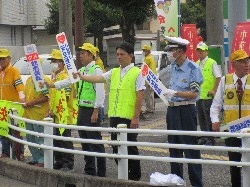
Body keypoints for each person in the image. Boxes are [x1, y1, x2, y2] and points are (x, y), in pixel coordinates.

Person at [75, 42, 144, 181]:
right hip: (114, 115)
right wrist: (82, 77)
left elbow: (140, 95)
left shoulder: (137, 72)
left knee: (130, 148)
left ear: (130, 56)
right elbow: (98, 78)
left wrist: (136, 117)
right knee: (115, 148)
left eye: (122, 54)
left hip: (128, 117)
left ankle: (135, 178)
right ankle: (124, 174)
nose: (119, 57)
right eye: (117, 54)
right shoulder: (114, 71)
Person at [46, 43, 106, 177]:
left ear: (91, 55)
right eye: (80, 53)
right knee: (84, 140)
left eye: (83, 53)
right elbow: (68, 81)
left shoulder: (96, 70)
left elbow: (100, 92)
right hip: (82, 109)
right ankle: (89, 169)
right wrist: (52, 85)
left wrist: (96, 110)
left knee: (95, 140)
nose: (80, 55)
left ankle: (101, 172)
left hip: (92, 109)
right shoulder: (83, 70)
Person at [163, 36, 203, 187]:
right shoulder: (172, 67)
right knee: (174, 148)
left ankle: (197, 183)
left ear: (179, 51)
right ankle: (177, 182)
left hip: (186, 109)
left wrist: (176, 93)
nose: (169, 53)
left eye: (171, 50)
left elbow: (194, 93)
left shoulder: (193, 68)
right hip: (172, 110)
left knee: (190, 148)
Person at [210, 49, 250, 187]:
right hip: (231, 130)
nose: (247, 64)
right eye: (243, 61)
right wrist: (215, 120)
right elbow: (216, 104)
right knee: (234, 165)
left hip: (248, 132)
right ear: (234, 64)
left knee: (249, 165)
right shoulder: (224, 80)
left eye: (247, 61)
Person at [47, 49, 74, 171]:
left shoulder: (65, 77)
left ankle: (68, 162)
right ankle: (59, 161)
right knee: (57, 138)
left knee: (65, 139)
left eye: (55, 61)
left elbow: (65, 97)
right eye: (52, 61)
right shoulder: (54, 77)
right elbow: (51, 97)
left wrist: (56, 110)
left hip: (64, 113)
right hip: (55, 114)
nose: (53, 63)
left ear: (62, 63)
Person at [22, 59, 50, 167]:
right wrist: (24, 102)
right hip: (29, 114)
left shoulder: (42, 79)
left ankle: (42, 160)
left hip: (39, 114)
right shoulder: (29, 79)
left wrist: (32, 103)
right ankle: (35, 158)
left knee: (40, 138)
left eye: (31, 64)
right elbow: (25, 94)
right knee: (30, 138)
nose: (29, 66)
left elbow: (46, 97)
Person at [0, 49, 25, 158]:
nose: (1, 61)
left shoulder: (14, 71)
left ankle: (19, 153)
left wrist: (22, 99)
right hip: (2, 107)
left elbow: (20, 88)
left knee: (15, 132)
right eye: (0, 59)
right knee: (3, 130)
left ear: (9, 59)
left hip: (13, 108)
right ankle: (5, 152)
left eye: (3, 59)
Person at [196, 42, 221, 146]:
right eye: (198, 51)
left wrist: (214, 90)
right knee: (201, 118)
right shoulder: (196, 63)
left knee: (208, 118)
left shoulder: (212, 62)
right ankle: (204, 137)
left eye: (202, 51)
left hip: (208, 96)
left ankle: (211, 139)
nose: (200, 52)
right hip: (198, 96)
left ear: (207, 51)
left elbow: (218, 77)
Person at [142, 45, 156, 114]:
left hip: (147, 80)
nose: (143, 52)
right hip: (152, 79)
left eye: (144, 50)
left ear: (147, 51)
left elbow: (144, 69)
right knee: (151, 95)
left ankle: (149, 109)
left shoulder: (147, 58)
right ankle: (152, 108)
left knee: (147, 95)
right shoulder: (152, 58)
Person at [95, 47, 106, 124]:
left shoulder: (98, 62)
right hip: (100, 82)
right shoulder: (97, 61)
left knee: (100, 102)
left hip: (100, 82)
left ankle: (101, 118)